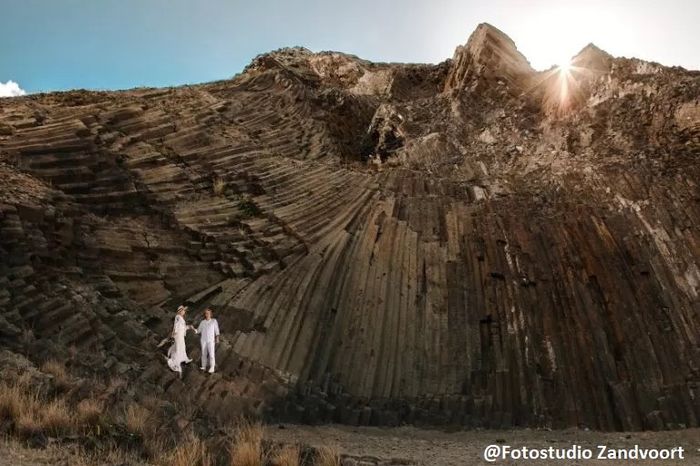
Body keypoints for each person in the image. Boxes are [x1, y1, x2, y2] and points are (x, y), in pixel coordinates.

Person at [166, 305, 193, 376]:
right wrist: (174, 333)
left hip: (180, 335)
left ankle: (183, 359)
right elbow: (176, 326)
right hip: (178, 335)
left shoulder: (181, 318)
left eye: (184, 310)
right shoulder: (178, 317)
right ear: (180, 311)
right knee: (179, 348)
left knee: (181, 347)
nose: (184, 311)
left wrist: (189, 327)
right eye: (183, 310)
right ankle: (174, 362)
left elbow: (183, 328)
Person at [192, 308, 220, 373]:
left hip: (211, 340)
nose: (207, 314)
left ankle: (212, 367)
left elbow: (217, 330)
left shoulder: (214, 321)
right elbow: (198, 331)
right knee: (203, 354)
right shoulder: (202, 322)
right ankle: (203, 366)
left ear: (210, 314)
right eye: (206, 313)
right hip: (203, 340)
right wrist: (193, 329)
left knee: (211, 354)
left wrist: (217, 337)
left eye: (208, 313)